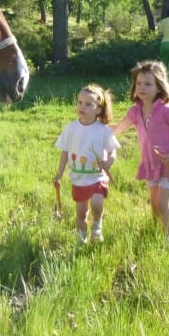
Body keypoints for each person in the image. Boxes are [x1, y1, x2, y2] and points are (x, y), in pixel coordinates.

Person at [111, 61, 169, 252]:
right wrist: (94, 128)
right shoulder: (135, 111)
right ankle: (157, 233)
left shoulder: (166, 111)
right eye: (139, 83)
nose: (142, 88)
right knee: (154, 205)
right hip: (151, 165)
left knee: (163, 203)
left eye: (148, 84)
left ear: (159, 87)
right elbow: (118, 129)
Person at [54, 84, 120, 245]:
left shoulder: (102, 130)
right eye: (80, 102)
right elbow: (64, 152)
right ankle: (81, 238)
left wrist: (110, 160)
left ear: (98, 109)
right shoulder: (71, 128)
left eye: (88, 104)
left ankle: (97, 226)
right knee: (81, 213)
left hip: (98, 176)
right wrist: (59, 173)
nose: (82, 106)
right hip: (78, 179)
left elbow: (112, 150)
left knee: (97, 202)